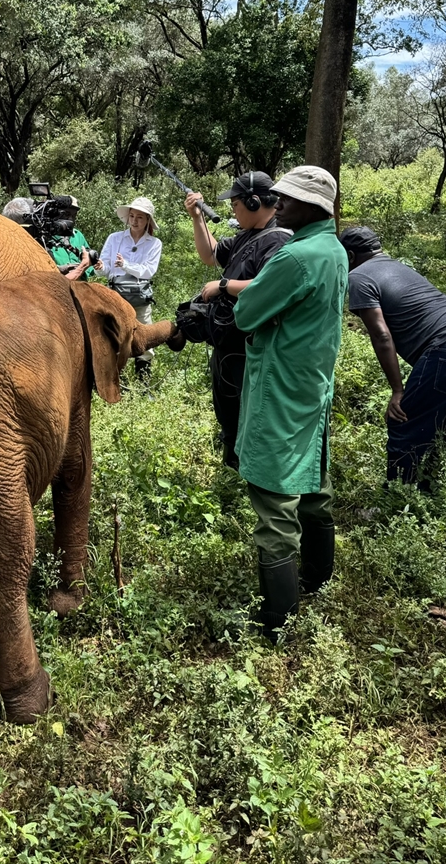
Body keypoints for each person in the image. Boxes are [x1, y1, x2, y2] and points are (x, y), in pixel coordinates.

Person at [231, 166, 348, 641]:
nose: (279, 205)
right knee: (314, 482)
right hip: (313, 384)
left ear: (313, 207)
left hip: (280, 388)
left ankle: (279, 622)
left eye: (288, 199)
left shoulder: (294, 258)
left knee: (275, 495)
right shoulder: (335, 249)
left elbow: (246, 312)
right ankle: (319, 578)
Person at [340, 225, 446, 488]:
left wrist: (397, 390)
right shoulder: (398, 266)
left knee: (403, 420)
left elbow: (381, 336)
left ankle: (398, 495)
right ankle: (431, 487)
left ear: (350, 256)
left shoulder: (358, 277)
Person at [183, 172, 291, 468]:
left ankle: (251, 469)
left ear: (254, 202)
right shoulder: (247, 234)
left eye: (235, 204)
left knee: (249, 410)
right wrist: (197, 217)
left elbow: (269, 286)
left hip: (251, 346)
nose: (233, 210)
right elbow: (210, 255)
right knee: (227, 406)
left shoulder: (279, 240)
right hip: (227, 340)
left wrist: (223, 286)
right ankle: (231, 461)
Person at [97, 197, 163, 387]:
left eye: (140, 217)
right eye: (132, 216)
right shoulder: (114, 238)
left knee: (144, 334)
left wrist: (125, 265)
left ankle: (143, 384)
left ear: (148, 220)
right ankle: (118, 383)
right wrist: (100, 267)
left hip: (140, 295)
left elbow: (149, 271)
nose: (134, 221)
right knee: (116, 335)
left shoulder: (154, 243)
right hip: (116, 294)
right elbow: (107, 270)